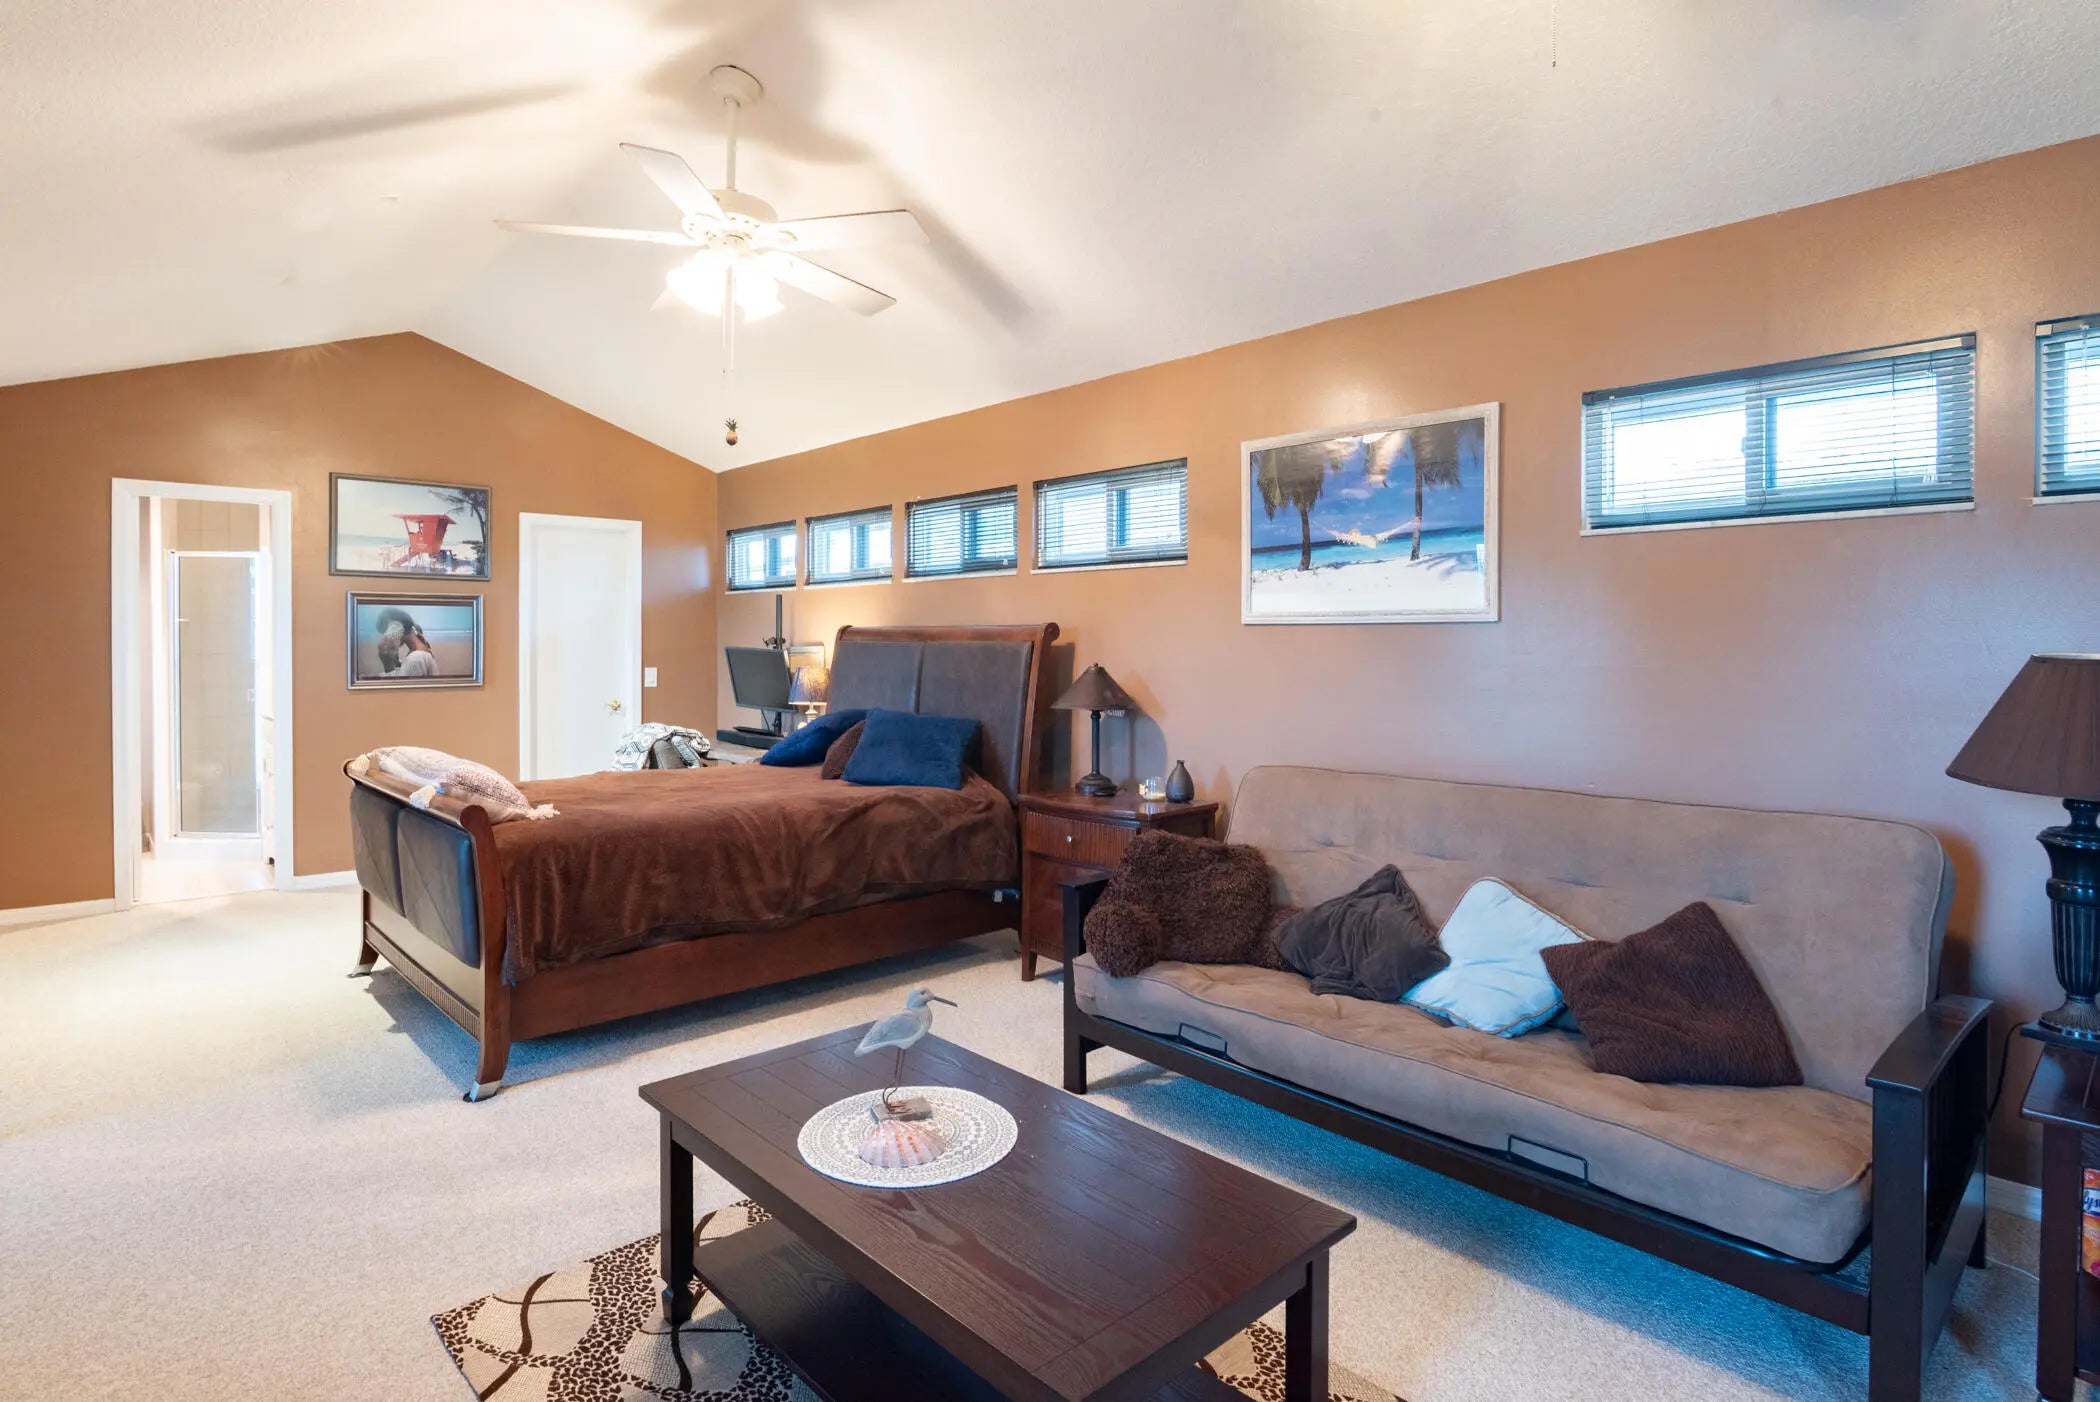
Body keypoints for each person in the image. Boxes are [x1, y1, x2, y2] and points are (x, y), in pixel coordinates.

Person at [374, 607, 439, 679]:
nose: (387, 638)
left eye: (386, 633)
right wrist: (396, 662)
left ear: (396, 627)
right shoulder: (417, 653)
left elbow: (400, 685)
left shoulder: (415, 658)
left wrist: (388, 664)